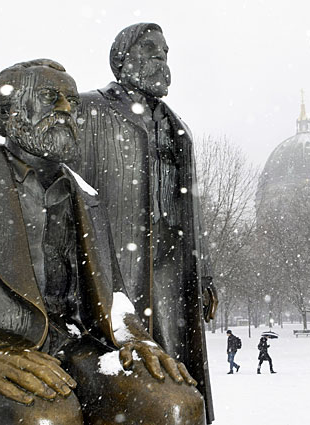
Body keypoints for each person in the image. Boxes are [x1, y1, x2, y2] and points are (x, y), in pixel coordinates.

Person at [0, 59, 206, 425]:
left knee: (175, 404)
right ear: (8, 113)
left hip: (76, 351)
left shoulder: (88, 198)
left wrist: (137, 340)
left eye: (72, 101)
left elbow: (113, 298)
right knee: (45, 418)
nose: (66, 109)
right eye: (50, 97)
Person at [76, 22, 217, 422]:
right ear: (122, 60)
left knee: (176, 354)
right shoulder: (89, 110)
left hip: (172, 259)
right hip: (116, 258)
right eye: (151, 50)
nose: (162, 59)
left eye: (165, 52)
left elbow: (193, 207)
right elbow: (68, 187)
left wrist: (204, 272)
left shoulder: (177, 128)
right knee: (124, 356)